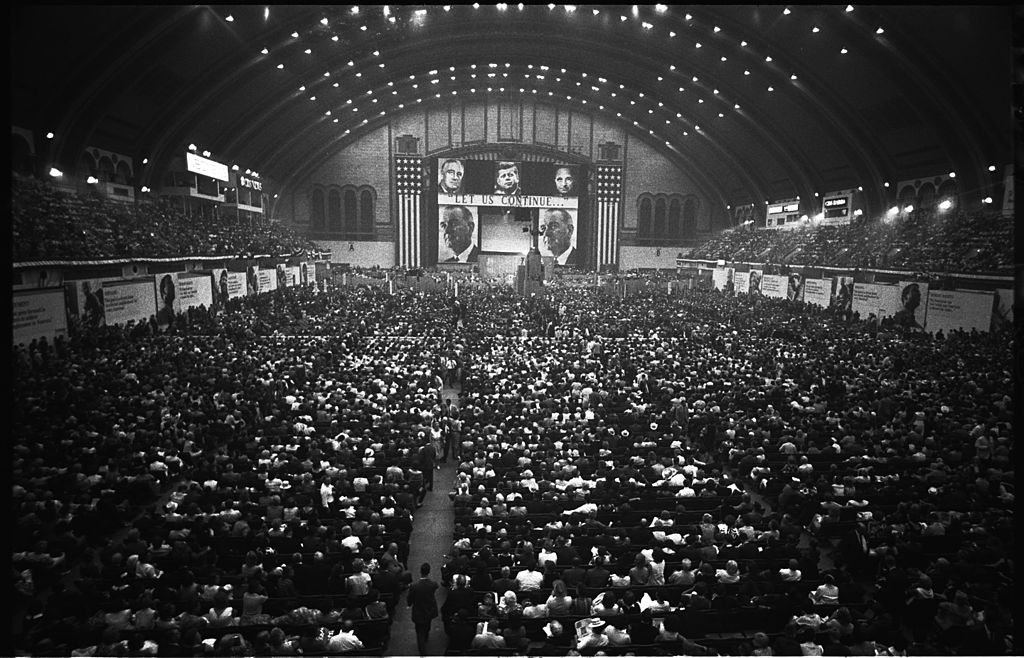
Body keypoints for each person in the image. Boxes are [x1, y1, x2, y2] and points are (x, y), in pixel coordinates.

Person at [408, 562, 438, 656]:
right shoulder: (433, 584)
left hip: (418, 610)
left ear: (420, 572)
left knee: (419, 631)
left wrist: (409, 604)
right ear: (428, 572)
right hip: (429, 610)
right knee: (427, 625)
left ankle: (423, 652)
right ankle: (425, 637)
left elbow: (410, 597)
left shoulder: (414, 586)